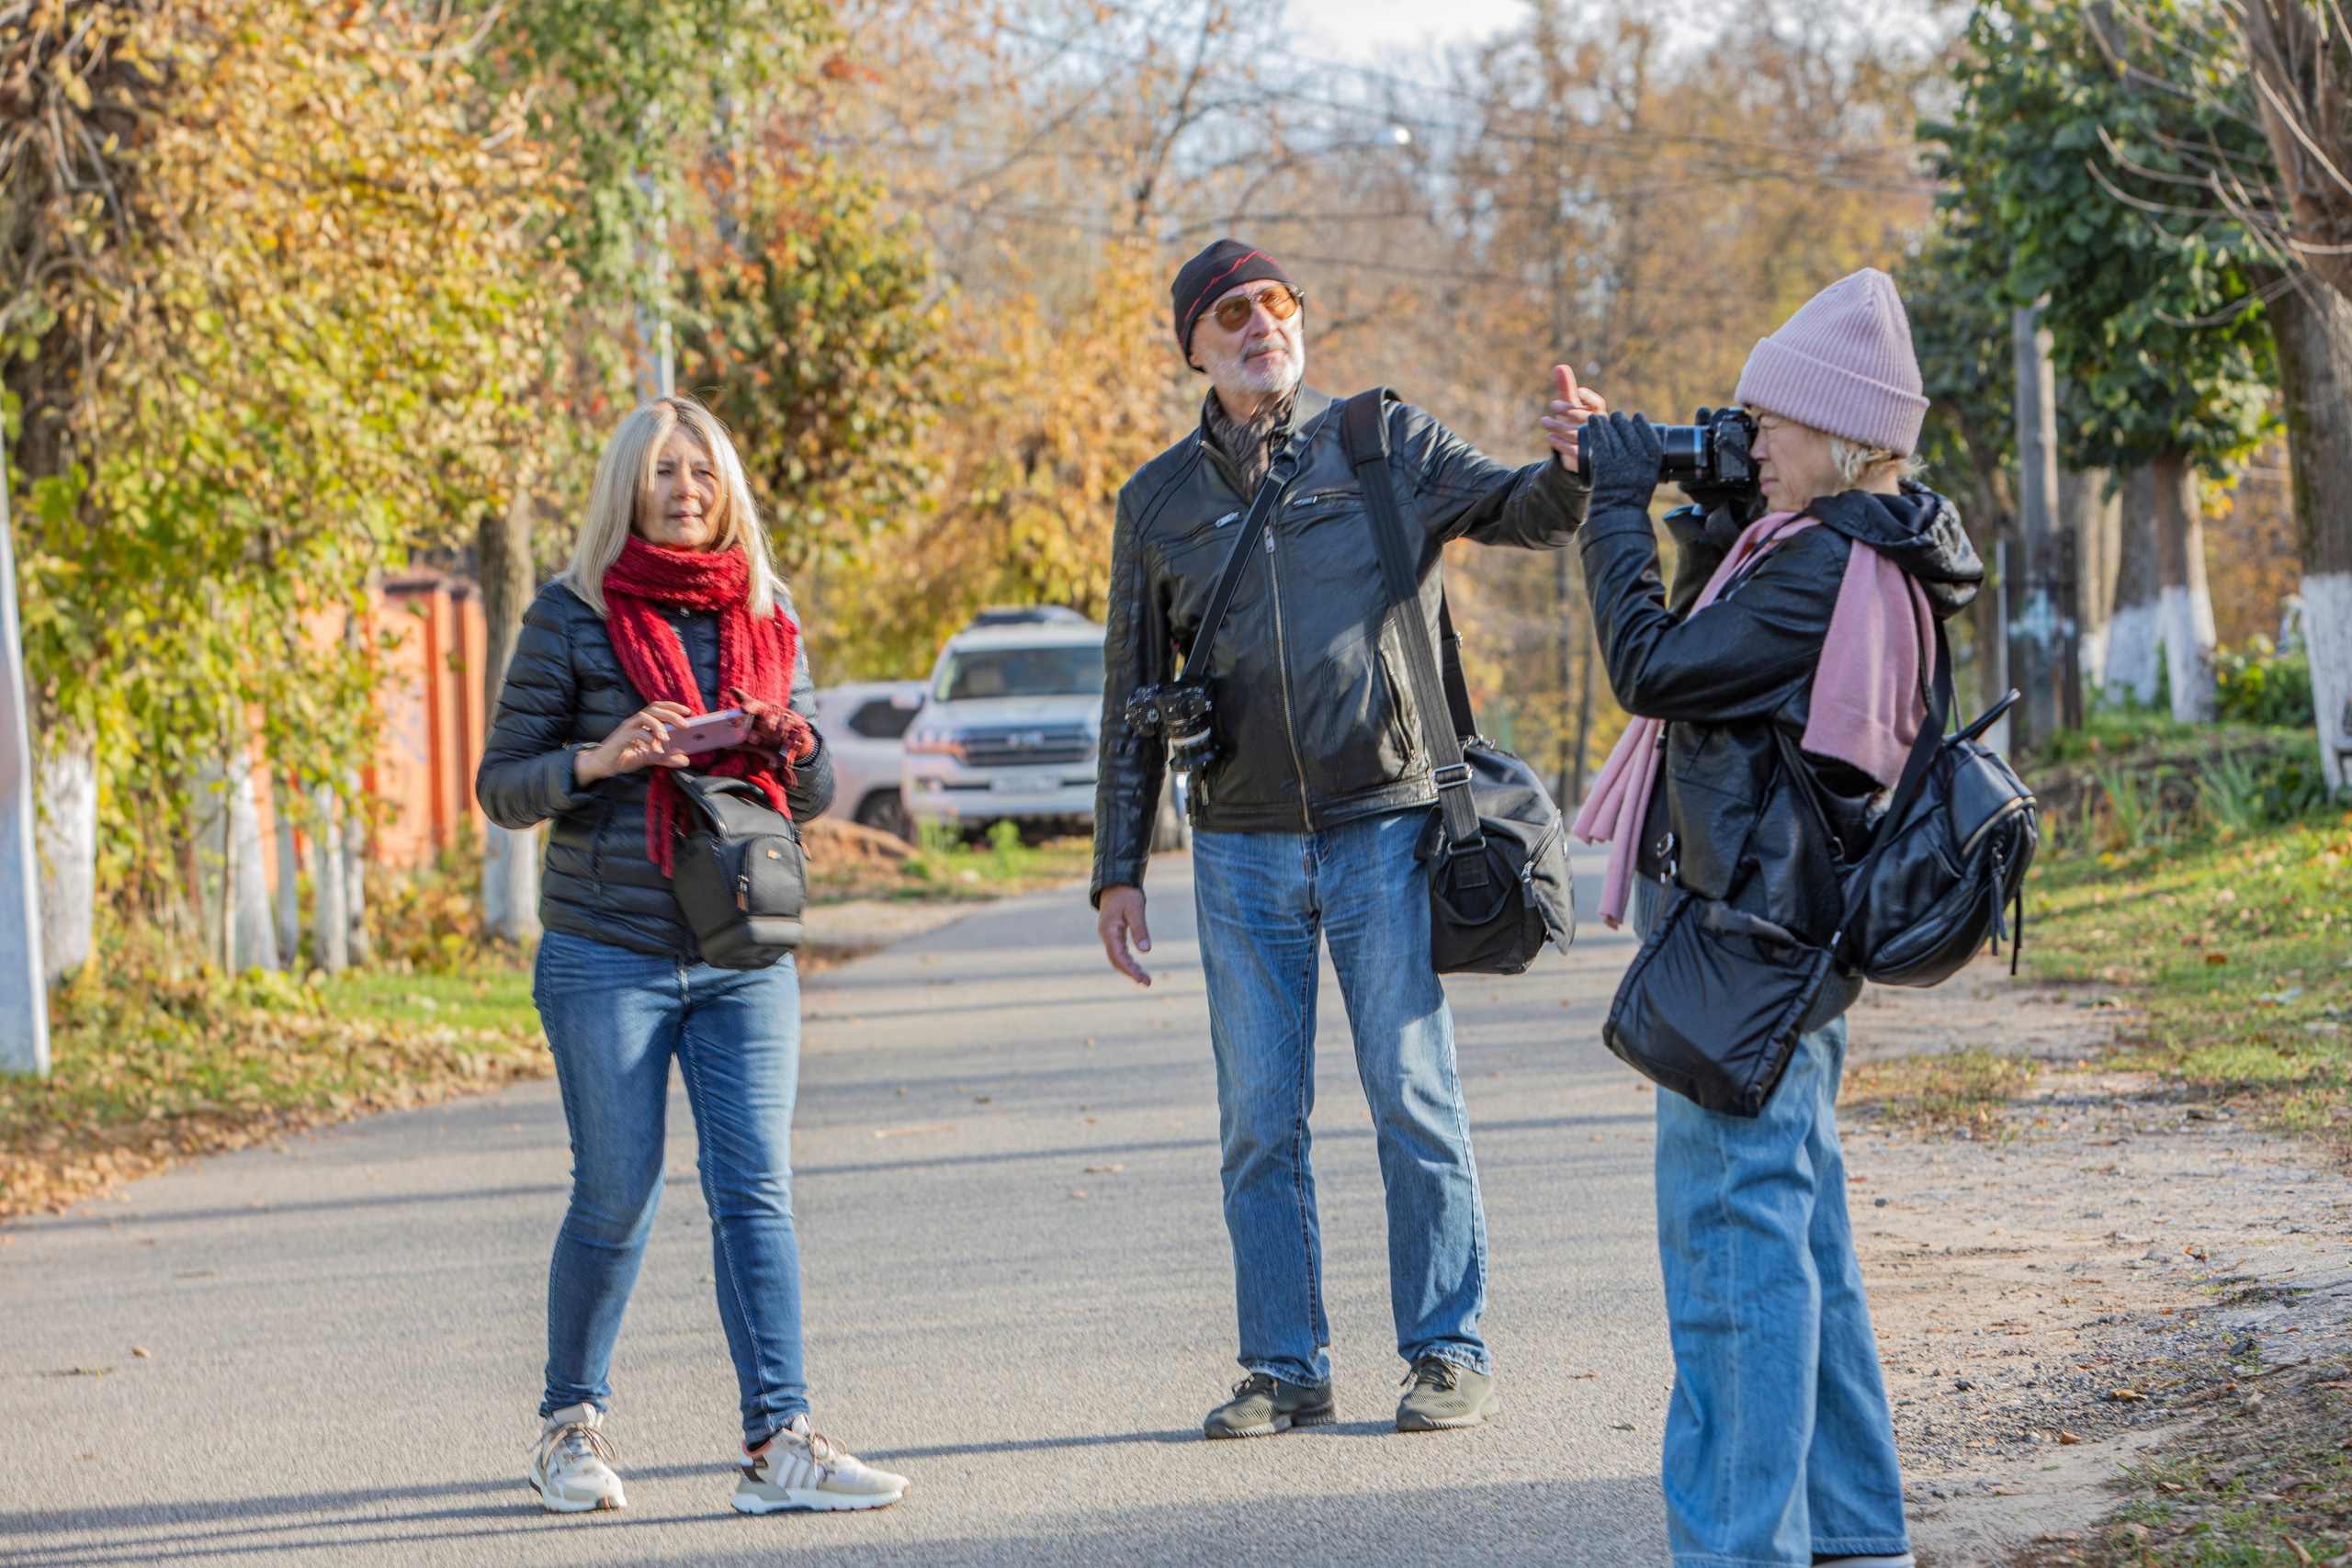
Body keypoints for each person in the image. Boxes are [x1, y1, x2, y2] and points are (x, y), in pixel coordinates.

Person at [1091, 238, 1604, 1438]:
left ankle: (1447, 1348)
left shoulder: (1383, 442)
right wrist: (1118, 862)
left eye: (1278, 303)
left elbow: (1520, 509)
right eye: (1233, 311)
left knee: (1411, 1094)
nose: (1262, 323)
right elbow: (1131, 690)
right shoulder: (1156, 502)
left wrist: (1574, 467)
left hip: (1384, 826)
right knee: (1259, 1118)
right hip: (1240, 843)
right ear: (1195, 346)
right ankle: (1284, 1364)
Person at [1571, 269, 1984, 1568]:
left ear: (1844, 434)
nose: (1751, 441)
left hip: (1750, 945)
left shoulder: (1822, 568)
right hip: (1791, 938)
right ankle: (1857, 1530)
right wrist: (1703, 512)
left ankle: (1740, 1545)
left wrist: (1612, 510)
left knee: (1734, 1253)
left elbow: (1656, 666)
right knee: (1799, 1227)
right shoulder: (1857, 545)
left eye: (1771, 424)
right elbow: (1716, 651)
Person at [478, 395, 910, 1517]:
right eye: (664, 471)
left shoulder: (769, 614)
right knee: (616, 1196)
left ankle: (781, 1445)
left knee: (754, 1192)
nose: (685, 490)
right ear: (629, 486)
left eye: (703, 472)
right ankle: (568, 1429)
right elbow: (502, 785)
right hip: (604, 953)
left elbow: (807, 797)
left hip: (742, 953)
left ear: (728, 491)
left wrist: (790, 739)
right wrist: (602, 756)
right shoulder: (569, 615)